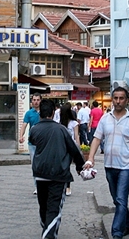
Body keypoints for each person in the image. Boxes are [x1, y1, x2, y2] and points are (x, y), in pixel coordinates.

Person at [84, 86, 129, 239]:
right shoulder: (106, 118)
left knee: (121, 198)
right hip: (110, 165)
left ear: (127, 100)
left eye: (121, 98)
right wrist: (90, 158)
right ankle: (127, 221)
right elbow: (97, 138)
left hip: (127, 166)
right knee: (116, 198)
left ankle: (116, 233)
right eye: (115, 98)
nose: (118, 101)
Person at [29, 99, 85, 239]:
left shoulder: (34, 129)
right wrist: (80, 166)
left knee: (43, 205)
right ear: (54, 112)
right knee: (54, 207)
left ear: (40, 113)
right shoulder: (62, 130)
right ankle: (48, 235)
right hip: (58, 174)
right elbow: (74, 150)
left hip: (40, 173)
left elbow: (33, 141)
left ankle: (46, 227)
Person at [19, 92, 42, 194]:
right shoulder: (29, 113)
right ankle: (37, 186)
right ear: (31, 101)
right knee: (35, 165)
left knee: (44, 163)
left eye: (37, 100)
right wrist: (21, 136)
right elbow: (24, 125)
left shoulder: (44, 112)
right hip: (32, 142)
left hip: (43, 141)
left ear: (40, 101)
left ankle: (44, 184)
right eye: (34, 100)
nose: (36, 102)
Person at [59, 102, 80, 196]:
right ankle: (62, 185)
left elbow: (76, 136)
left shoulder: (74, 123)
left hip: (70, 148)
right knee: (61, 167)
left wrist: (78, 149)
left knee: (66, 167)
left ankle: (68, 186)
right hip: (60, 147)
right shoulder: (58, 123)